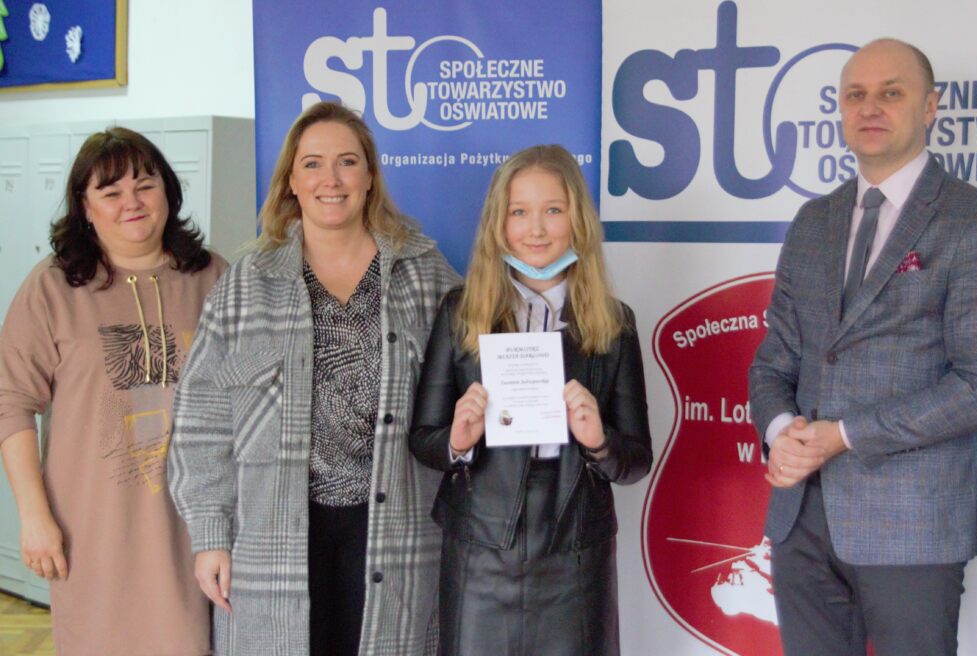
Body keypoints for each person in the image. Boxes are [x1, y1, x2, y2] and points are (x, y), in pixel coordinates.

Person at [749, 38, 977, 656]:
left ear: (929, 107)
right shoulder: (812, 222)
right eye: (855, 95)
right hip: (800, 520)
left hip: (913, 529)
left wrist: (845, 435)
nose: (869, 107)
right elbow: (774, 360)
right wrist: (783, 430)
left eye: (890, 93)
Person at [168, 101, 460, 656]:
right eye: (312, 164)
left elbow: (469, 391)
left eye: (347, 162)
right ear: (291, 182)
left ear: (370, 177)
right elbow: (201, 421)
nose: (331, 179)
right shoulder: (247, 284)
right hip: (275, 535)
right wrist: (210, 536)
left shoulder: (426, 275)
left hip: (396, 532)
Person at [410, 144, 652, 656]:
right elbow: (423, 439)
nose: (536, 229)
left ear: (576, 220)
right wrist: (457, 442)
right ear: (499, 224)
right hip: (480, 548)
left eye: (553, 210)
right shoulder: (460, 313)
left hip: (575, 555)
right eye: (519, 212)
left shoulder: (615, 324)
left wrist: (600, 442)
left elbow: (635, 461)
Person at [0, 127, 226, 655]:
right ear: (85, 207)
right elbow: (11, 403)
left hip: (193, 529)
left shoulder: (213, 277)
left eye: (145, 185)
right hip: (91, 530)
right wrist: (34, 517)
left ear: (168, 191)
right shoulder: (53, 287)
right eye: (111, 191)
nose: (132, 202)